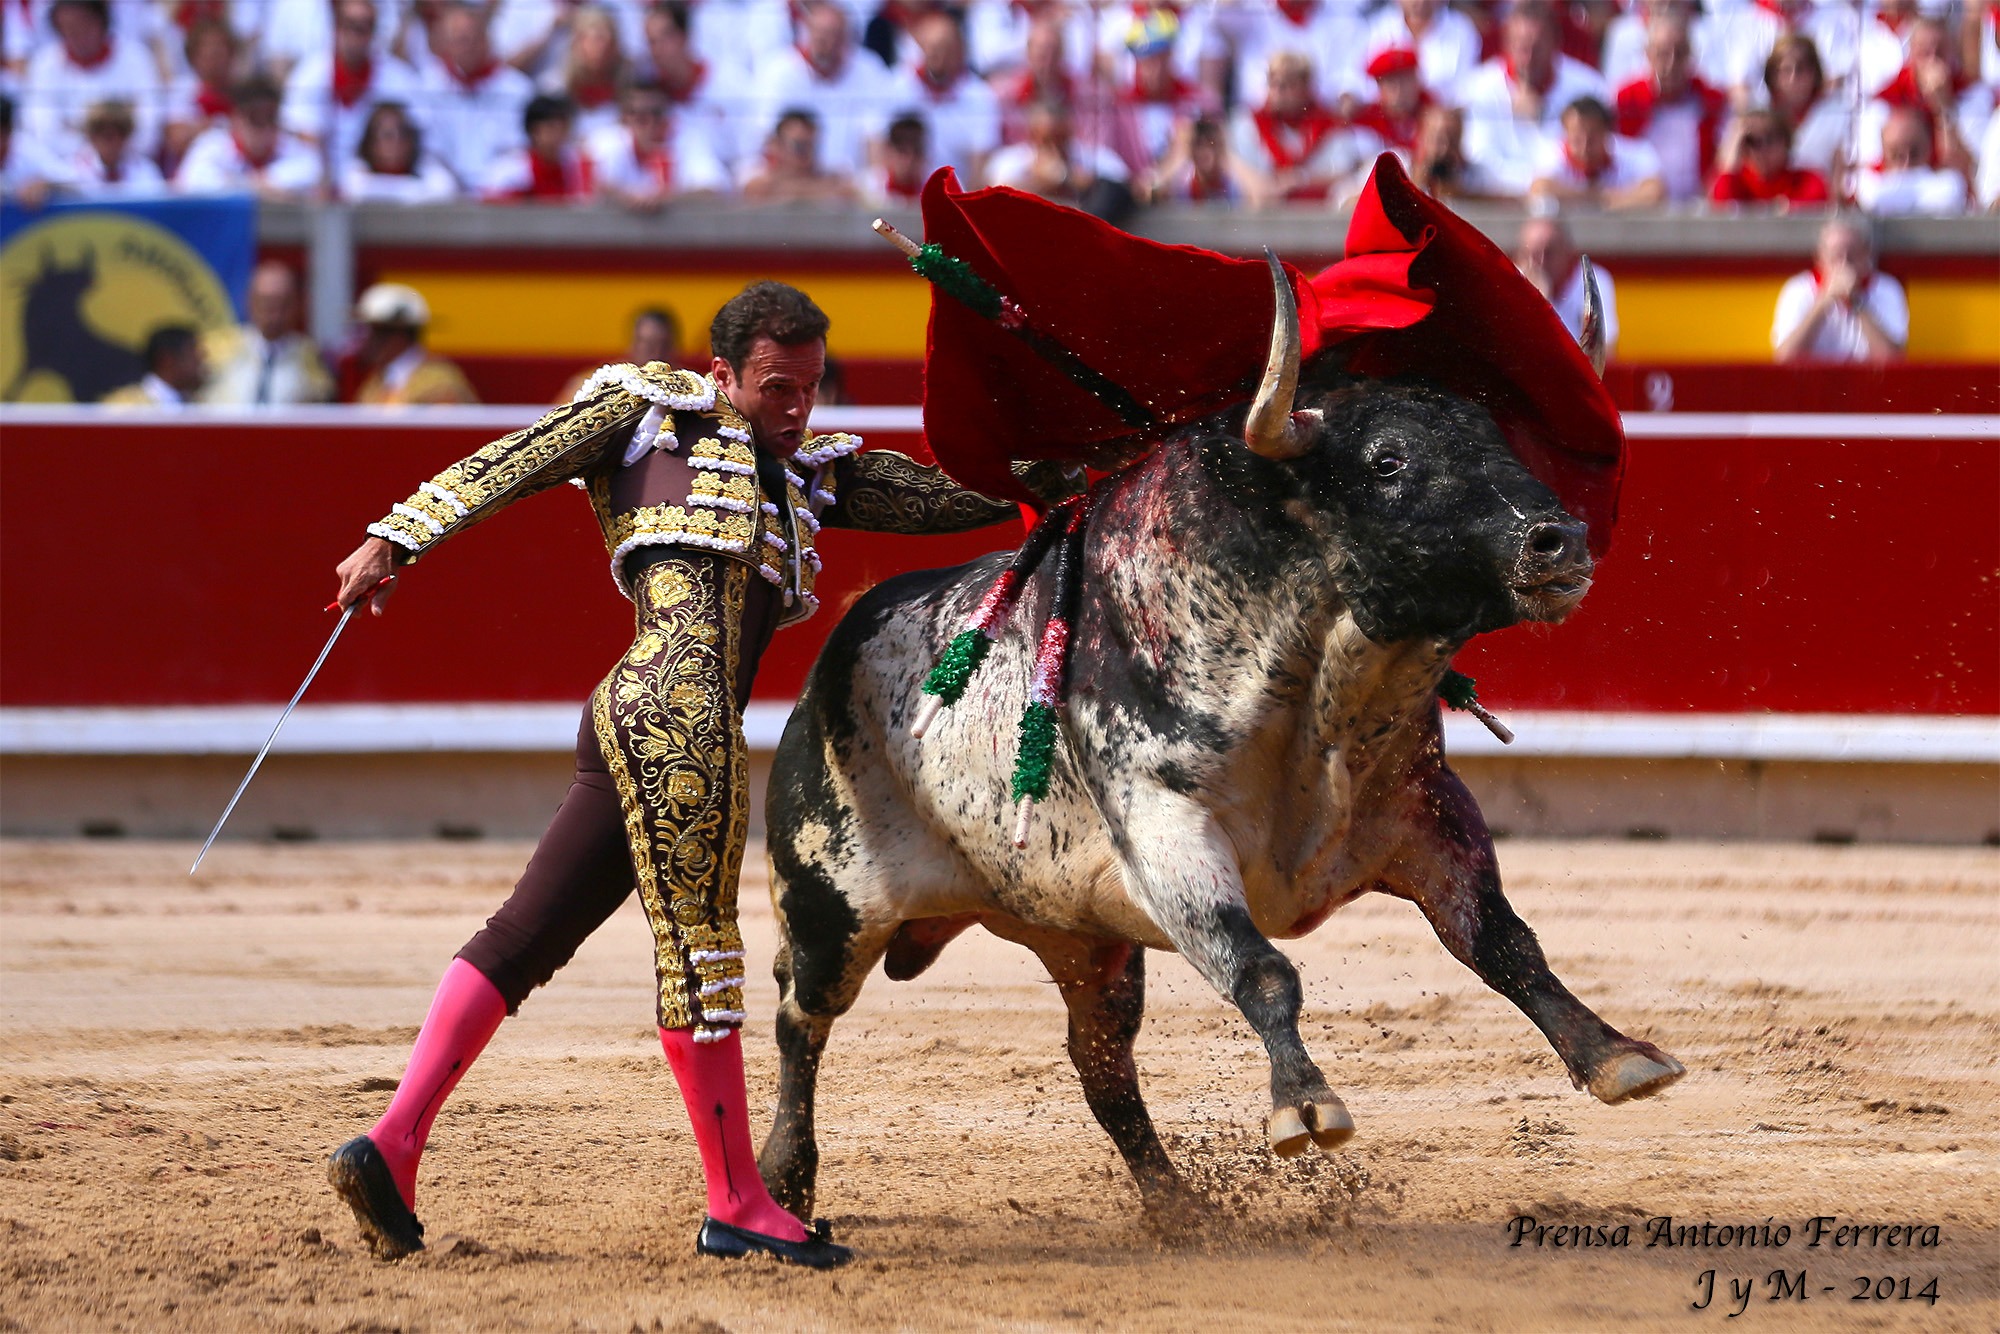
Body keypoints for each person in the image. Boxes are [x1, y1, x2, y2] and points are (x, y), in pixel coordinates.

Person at [323, 281, 1040, 1269]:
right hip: (677, 715)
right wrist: (393, 537)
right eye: (775, 386)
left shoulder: (813, 475)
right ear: (720, 374)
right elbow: (511, 460)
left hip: (633, 713)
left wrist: (1067, 464)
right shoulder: (646, 415)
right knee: (702, 948)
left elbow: (950, 497)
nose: (796, 408)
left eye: (810, 387)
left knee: (526, 932)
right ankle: (738, 1200)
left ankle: (391, 1142)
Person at [283, 0, 426, 174]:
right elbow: (303, 139)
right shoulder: (309, 75)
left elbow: (418, 133)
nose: (356, 35)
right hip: (321, 179)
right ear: (336, 27)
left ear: (374, 32)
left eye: (364, 27)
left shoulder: (399, 78)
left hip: (375, 177)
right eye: (350, 25)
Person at [1229, 50, 1379, 207]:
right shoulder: (1249, 124)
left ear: (1305, 87)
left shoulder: (1331, 125)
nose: (1278, 91)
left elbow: (1345, 173)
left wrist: (1301, 179)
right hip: (1264, 220)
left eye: (1287, 85)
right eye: (1273, 83)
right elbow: (1250, 183)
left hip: (1319, 217)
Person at [878, 10, 1001, 186]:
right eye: (932, 47)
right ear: (921, 48)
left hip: (956, 193)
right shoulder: (898, 86)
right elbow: (880, 147)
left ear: (959, 50)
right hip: (905, 191)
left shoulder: (979, 95)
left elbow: (980, 162)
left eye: (945, 48)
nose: (938, 55)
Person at [1613, 14, 1726, 204]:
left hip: (1698, 208)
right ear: (1648, 55)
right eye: (1663, 54)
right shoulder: (1626, 101)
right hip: (1640, 210)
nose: (1672, 63)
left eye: (1680, 53)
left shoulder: (1711, 101)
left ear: (1691, 55)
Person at [1772, 217, 1907, 364]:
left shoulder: (1886, 289)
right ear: (1819, 259)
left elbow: (1893, 359)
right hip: (1812, 385)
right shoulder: (1798, 290)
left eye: (1852, 256)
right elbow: (1785, 358)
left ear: (1866, 255)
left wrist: (1856, 302)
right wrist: (1824, 302)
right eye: (1836, 256)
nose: (1843, 264)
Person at [201, 261, 334, 406]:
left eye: (283, 304)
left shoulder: (312, 357)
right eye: (267, 304)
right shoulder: (215, 349)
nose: (275, 314)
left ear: (297, 305)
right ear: (250, 302)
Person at [589, 79, 730, 210]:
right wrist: (625, 198)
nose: (650, 123)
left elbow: (714, 190)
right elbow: (588, 187)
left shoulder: (688, 139)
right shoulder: (607, 142)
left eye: (657, 114)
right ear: (626, 118)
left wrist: (666, 198)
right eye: (641, 116)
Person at [175, 75, 325, 198]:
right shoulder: (210, 146)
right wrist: (260, 188)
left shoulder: (292, 148)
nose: (265, 128)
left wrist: (244, 184)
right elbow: (192, 182)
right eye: (255, 120)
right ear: (236, 119)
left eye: (271, 118)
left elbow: (312, 172)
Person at [987, 98, 1135, 222]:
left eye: (1060, 139)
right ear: (1032, 135)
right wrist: (1043, 181)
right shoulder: (1011, 161)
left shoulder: (1095, 157)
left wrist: (1064, 176)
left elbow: (1123, 186)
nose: (1054, 147)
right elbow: (997, 195)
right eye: (1046, 139)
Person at [1529, 95, 1666, 212]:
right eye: (1577, 138)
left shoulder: (1635, 152)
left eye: (1592, 138)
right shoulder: (1551, 152)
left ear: (1607, 133)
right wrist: (1601, 198)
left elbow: (1655, 192)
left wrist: (1598, 203)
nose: (1584, 146)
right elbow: (1539, 189)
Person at [351, 283, 479, 405]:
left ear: (398, 336)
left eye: (373, 332)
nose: (365, 341)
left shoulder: (440, 383)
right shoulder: (376, 382)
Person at [1514, 215, 1618, 358]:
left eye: (1549, 252)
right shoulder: (1512, 282)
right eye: (1534, 254)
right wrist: (1535, 303)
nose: (1542, 261)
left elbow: (1605, 353)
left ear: (1567, 251)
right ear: (1521, 256)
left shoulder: (1593, 282)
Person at [1854, 106, 1969, 216]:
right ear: (1884, 153)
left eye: (1914, 153)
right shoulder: (1870, 187)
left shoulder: (1950, 184)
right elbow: (1872, 198)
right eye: (1897, 155)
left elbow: (1949, 196)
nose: (1906, 164)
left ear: (1928, 148)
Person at [1708, 108, 1830, 210]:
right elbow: (1720, 204)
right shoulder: (1736, 182)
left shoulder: (1808, 181)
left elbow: (1816, 203)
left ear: (1786, 142)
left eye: (1770, 138)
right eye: (1752, 141)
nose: (1763, 147)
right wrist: (1732, 156)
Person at [342, 101, 462, 202]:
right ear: (371, 142)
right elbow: (357, 191)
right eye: (388, 135)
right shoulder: (356, 173)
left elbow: (445, 189)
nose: (397, 142)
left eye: (403, 134)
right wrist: (417, 193)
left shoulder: (428, 167)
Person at [481, 93, 594, 200]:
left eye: (563, 128)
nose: (558, 135)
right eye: (551, 128)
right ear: (533, 131)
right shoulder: (511, 170)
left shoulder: (577, 167)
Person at [556, 306, 681, 402]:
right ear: (633, 344)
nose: (657, 353)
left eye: (663, 345)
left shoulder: (691, 390)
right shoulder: (593, 385)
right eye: (649, 344)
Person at [739, 109, 858, 203]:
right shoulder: (760, 185)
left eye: (811, 145)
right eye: (799, 145)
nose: (806, 152)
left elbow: (849, 193)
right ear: (777, 145)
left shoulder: (836, 181)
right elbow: (758, 191)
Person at [64, 98, 167, 197]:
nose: (109, 136)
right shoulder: (70, 170)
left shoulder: (146, 171)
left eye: (119, 130)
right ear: (90, 135)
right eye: (99, 129)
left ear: (127, 135)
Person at [103, 324, 208, 406]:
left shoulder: (201, 405)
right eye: (194, 355)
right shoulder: (123, 408)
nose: (203, 363)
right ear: (167, 360)